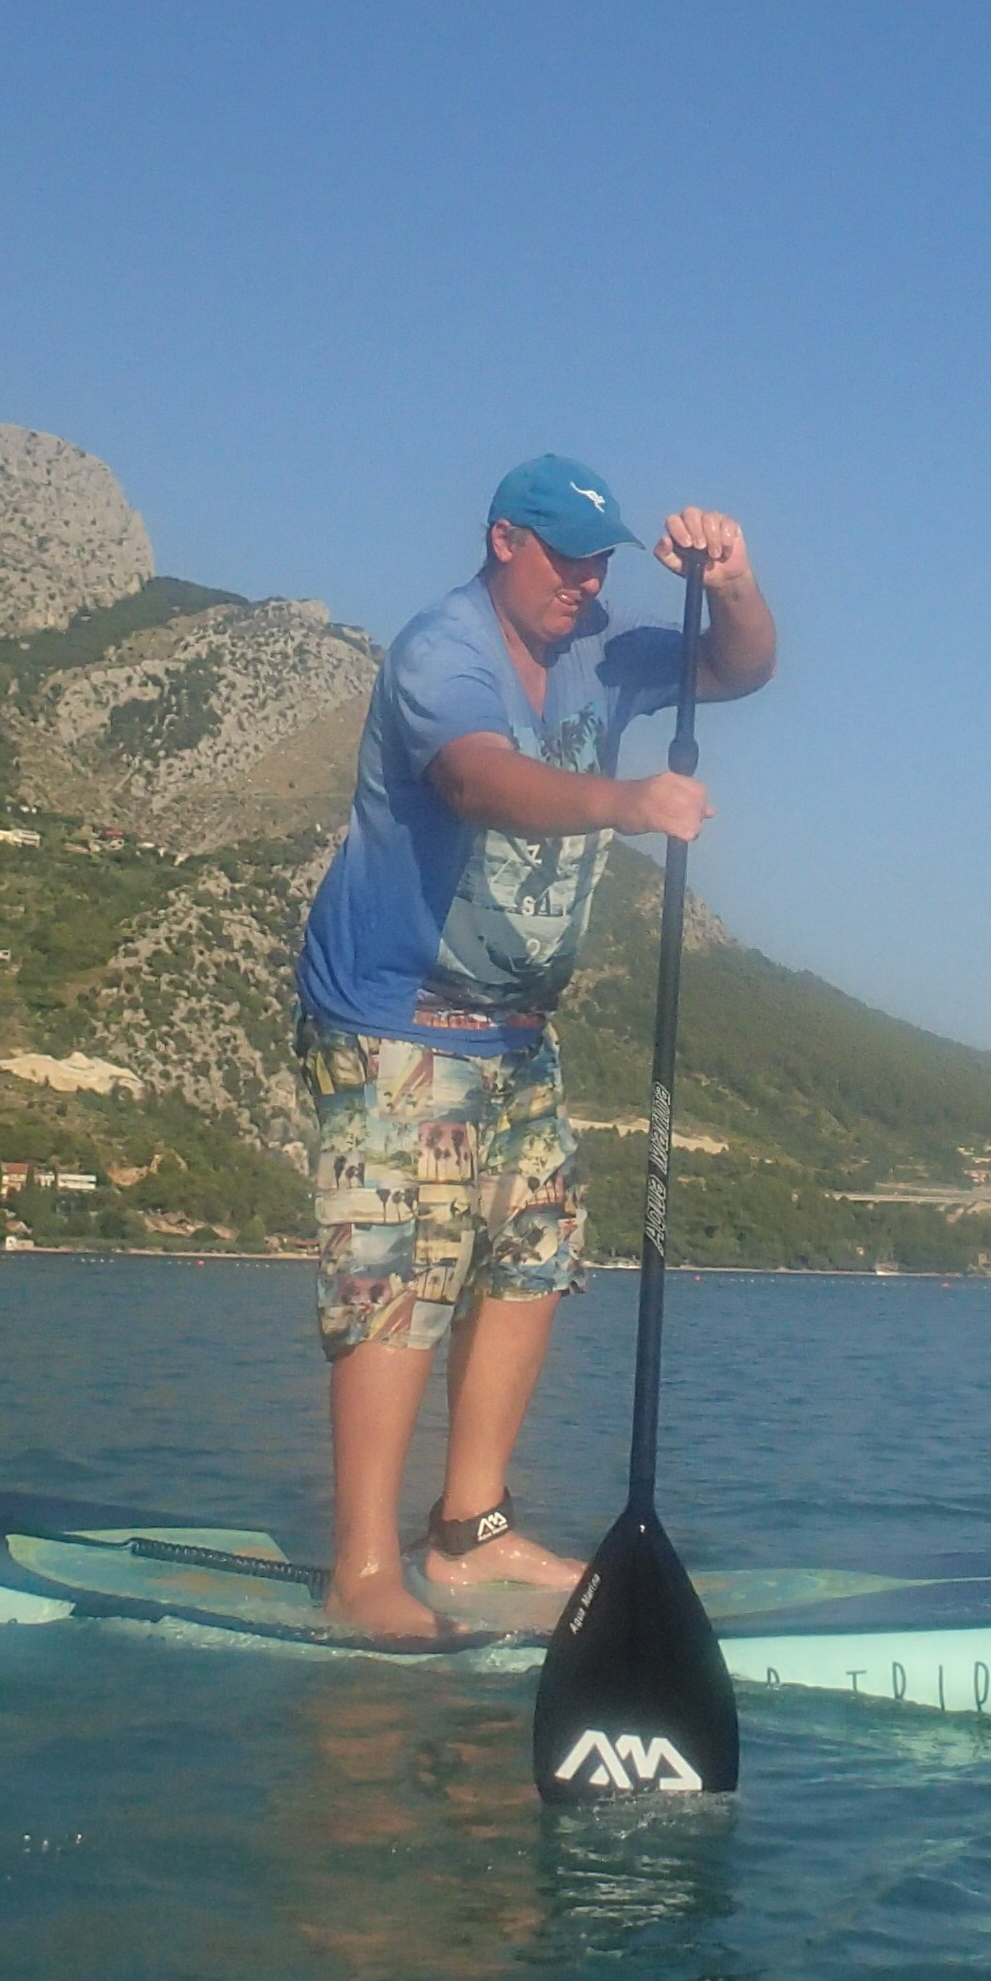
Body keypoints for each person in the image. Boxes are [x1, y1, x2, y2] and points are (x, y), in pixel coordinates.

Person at [291, 454, 777, 1641]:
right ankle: (362, 1573)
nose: (584, 580)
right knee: (397, 1278)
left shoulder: (601, 651)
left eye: (599, 560)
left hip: (516, 1029)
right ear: (504, 539)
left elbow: (737, 670)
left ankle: (467, 1536)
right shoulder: (440, 652)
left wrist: (735, 586)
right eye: (564, 557)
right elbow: (477, 782)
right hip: (391, 1016)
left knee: (528, 1253)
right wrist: (625, 803)